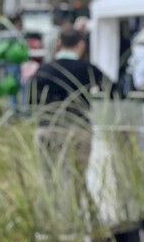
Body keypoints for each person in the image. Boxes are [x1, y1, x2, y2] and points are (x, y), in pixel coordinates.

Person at [28, 27, 108, 168]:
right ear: (81, 45)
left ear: (59, 43)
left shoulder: (43, 70)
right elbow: (113, 89)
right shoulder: (88, 69)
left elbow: (31, 101)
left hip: (49, 127)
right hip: (78, 127)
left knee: (49, 179)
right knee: (77, 180)